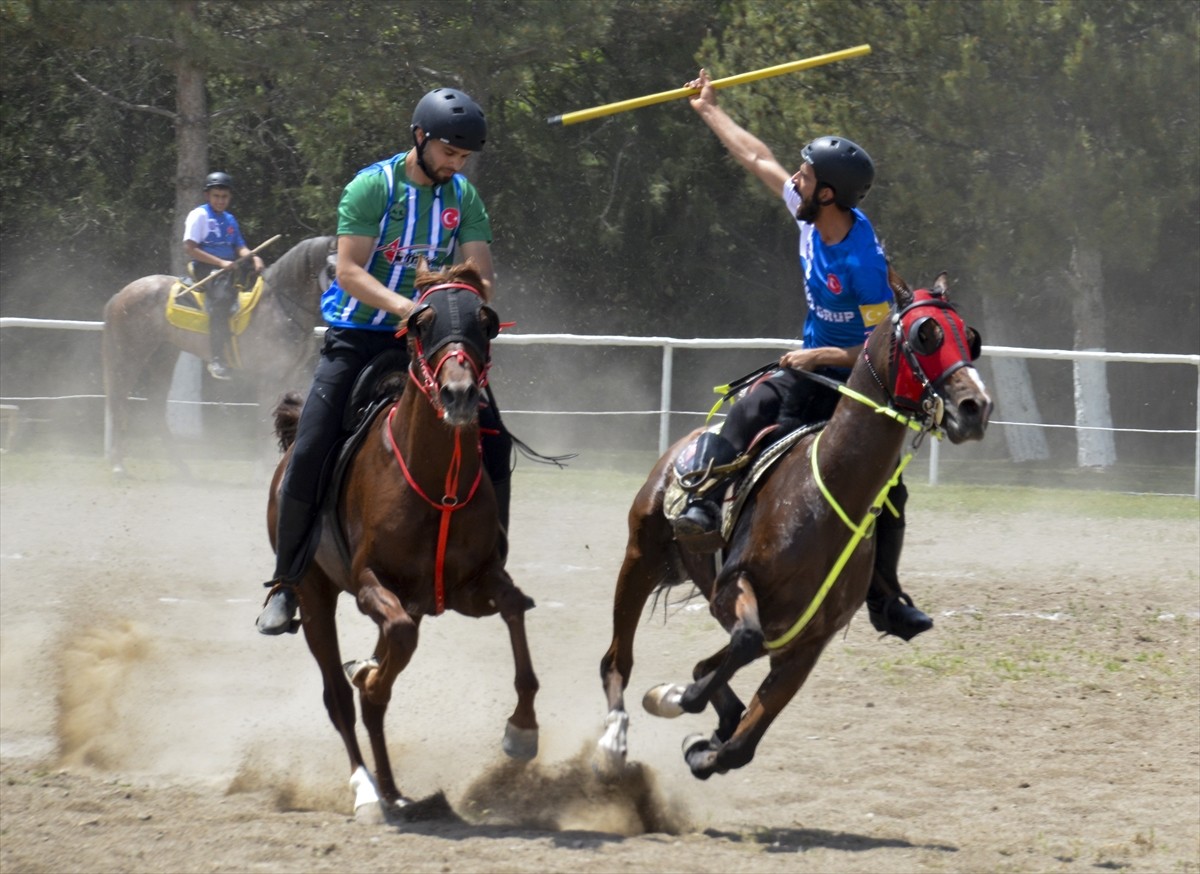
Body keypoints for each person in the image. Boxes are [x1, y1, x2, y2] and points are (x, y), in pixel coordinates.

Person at [673, 69, 932, 642]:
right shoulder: (810, 216)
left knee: (889, 488)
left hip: (854, 382)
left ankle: (886, 600)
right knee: (749, 406)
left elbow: (879, 349)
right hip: (811, 369)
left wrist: (819, 356)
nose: (795, 180)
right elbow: (756, 158)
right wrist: (709, 108)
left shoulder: (863, 263)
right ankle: (703, 508)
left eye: (806, 175)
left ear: (828, 194)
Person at [256, 87, 512, 636]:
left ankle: (490, 562)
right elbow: (349, 271)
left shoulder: (463, 197)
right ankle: (285, 583)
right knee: (311, 446)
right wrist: (408, 307)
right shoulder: (373, 187)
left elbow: (483, 277)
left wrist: (452, 304)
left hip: (427, 343)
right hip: (358, 338)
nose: (456, 164)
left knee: (494, 437)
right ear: (419, 137)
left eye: (464, 156)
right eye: (448, 152)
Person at [182, 172, 264, 380]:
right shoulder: (199, 215)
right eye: (216, 196)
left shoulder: (230, 219)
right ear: (207, 196)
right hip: (206, 267)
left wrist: (254, 258)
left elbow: (239, 246)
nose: (220, 200)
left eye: (224, 196)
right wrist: (220, 263)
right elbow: (190, 248)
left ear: (230, 197)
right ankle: (217, 358)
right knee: (222, 299)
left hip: (229, 268)